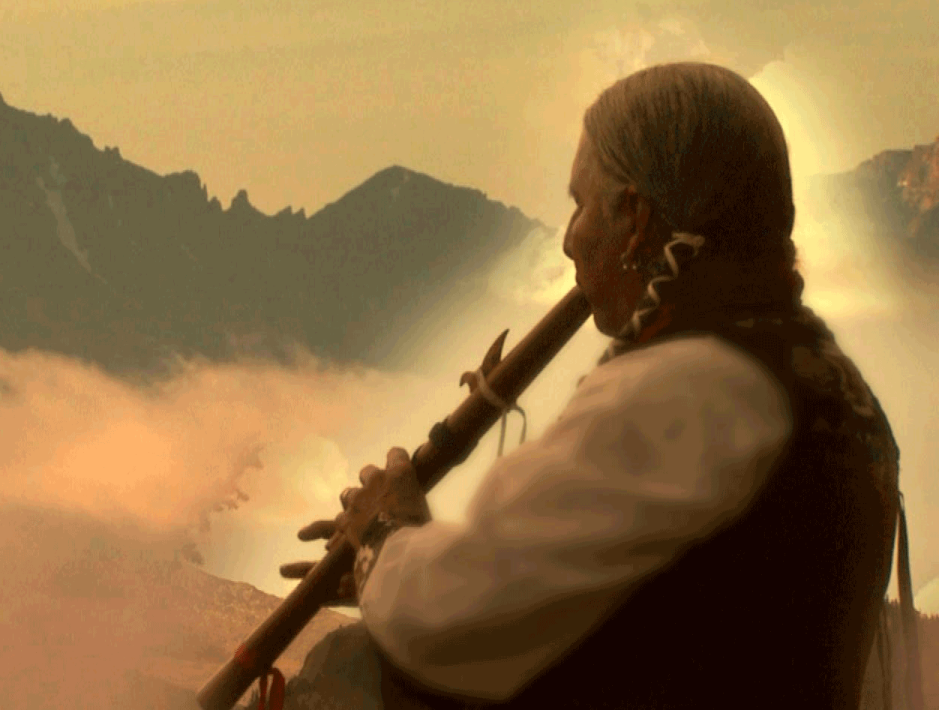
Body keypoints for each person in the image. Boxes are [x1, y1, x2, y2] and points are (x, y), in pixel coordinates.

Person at [279, 62, 902, 709]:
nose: (569, 242)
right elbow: (647, 620)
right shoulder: (830, 387)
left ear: (635, 219)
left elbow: (460, 622)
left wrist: (382, 540)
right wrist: (402, 569)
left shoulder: (689, 388)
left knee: (346, 669)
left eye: (579, 206)